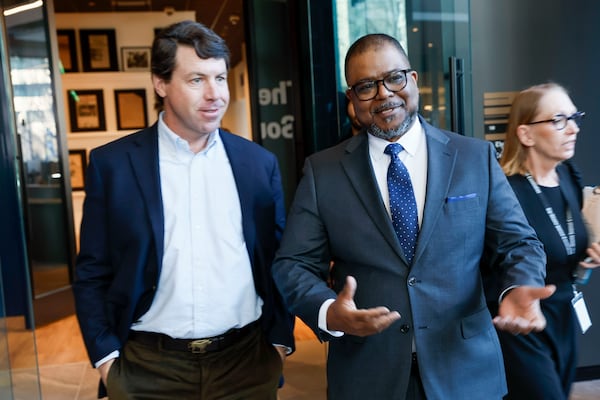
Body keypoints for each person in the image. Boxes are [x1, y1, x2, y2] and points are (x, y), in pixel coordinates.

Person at [271, 33, 556, 400]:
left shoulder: (474, 158)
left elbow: (519, 241)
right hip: (368, 373)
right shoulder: (322, 172)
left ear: (414, 80)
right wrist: (329, 313)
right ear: (352, 99)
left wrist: (518, 286)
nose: (385, 94)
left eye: (395, 78)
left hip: (465, 371)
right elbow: (292, 264)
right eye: (366, 86)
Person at [73, 20, 294, 399]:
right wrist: (107, 361)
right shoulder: (113, 165)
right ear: (161, 84)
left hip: (245, 365)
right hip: (146, 369)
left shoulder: (258, 164)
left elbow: (279, 261)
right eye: (197, 80)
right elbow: (92, 271)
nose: (215, 94)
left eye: (220, 78)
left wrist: (277, 343)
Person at [495, 82, 600, 399]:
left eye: (574, 117)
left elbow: (565, 242)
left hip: (564, 316)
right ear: (525, 134)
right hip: (522, 325)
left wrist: (586, 257)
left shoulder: (568, 174)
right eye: (558, 120)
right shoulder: (504, 192)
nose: (573, 130)